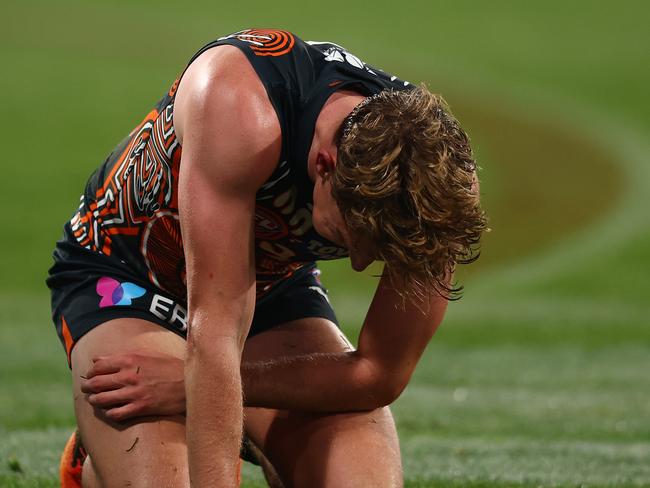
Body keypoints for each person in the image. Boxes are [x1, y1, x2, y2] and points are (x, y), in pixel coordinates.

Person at [47, 28, 487, 487]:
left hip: (269, 287)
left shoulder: (436, 189)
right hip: (128, 275)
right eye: (354, 237)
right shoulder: (240, 103)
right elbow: (214, 327)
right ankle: (99, 468)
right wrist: (205, 384)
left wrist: (195, 385)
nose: (358, 263)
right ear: (324, 165)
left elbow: (378, 372)